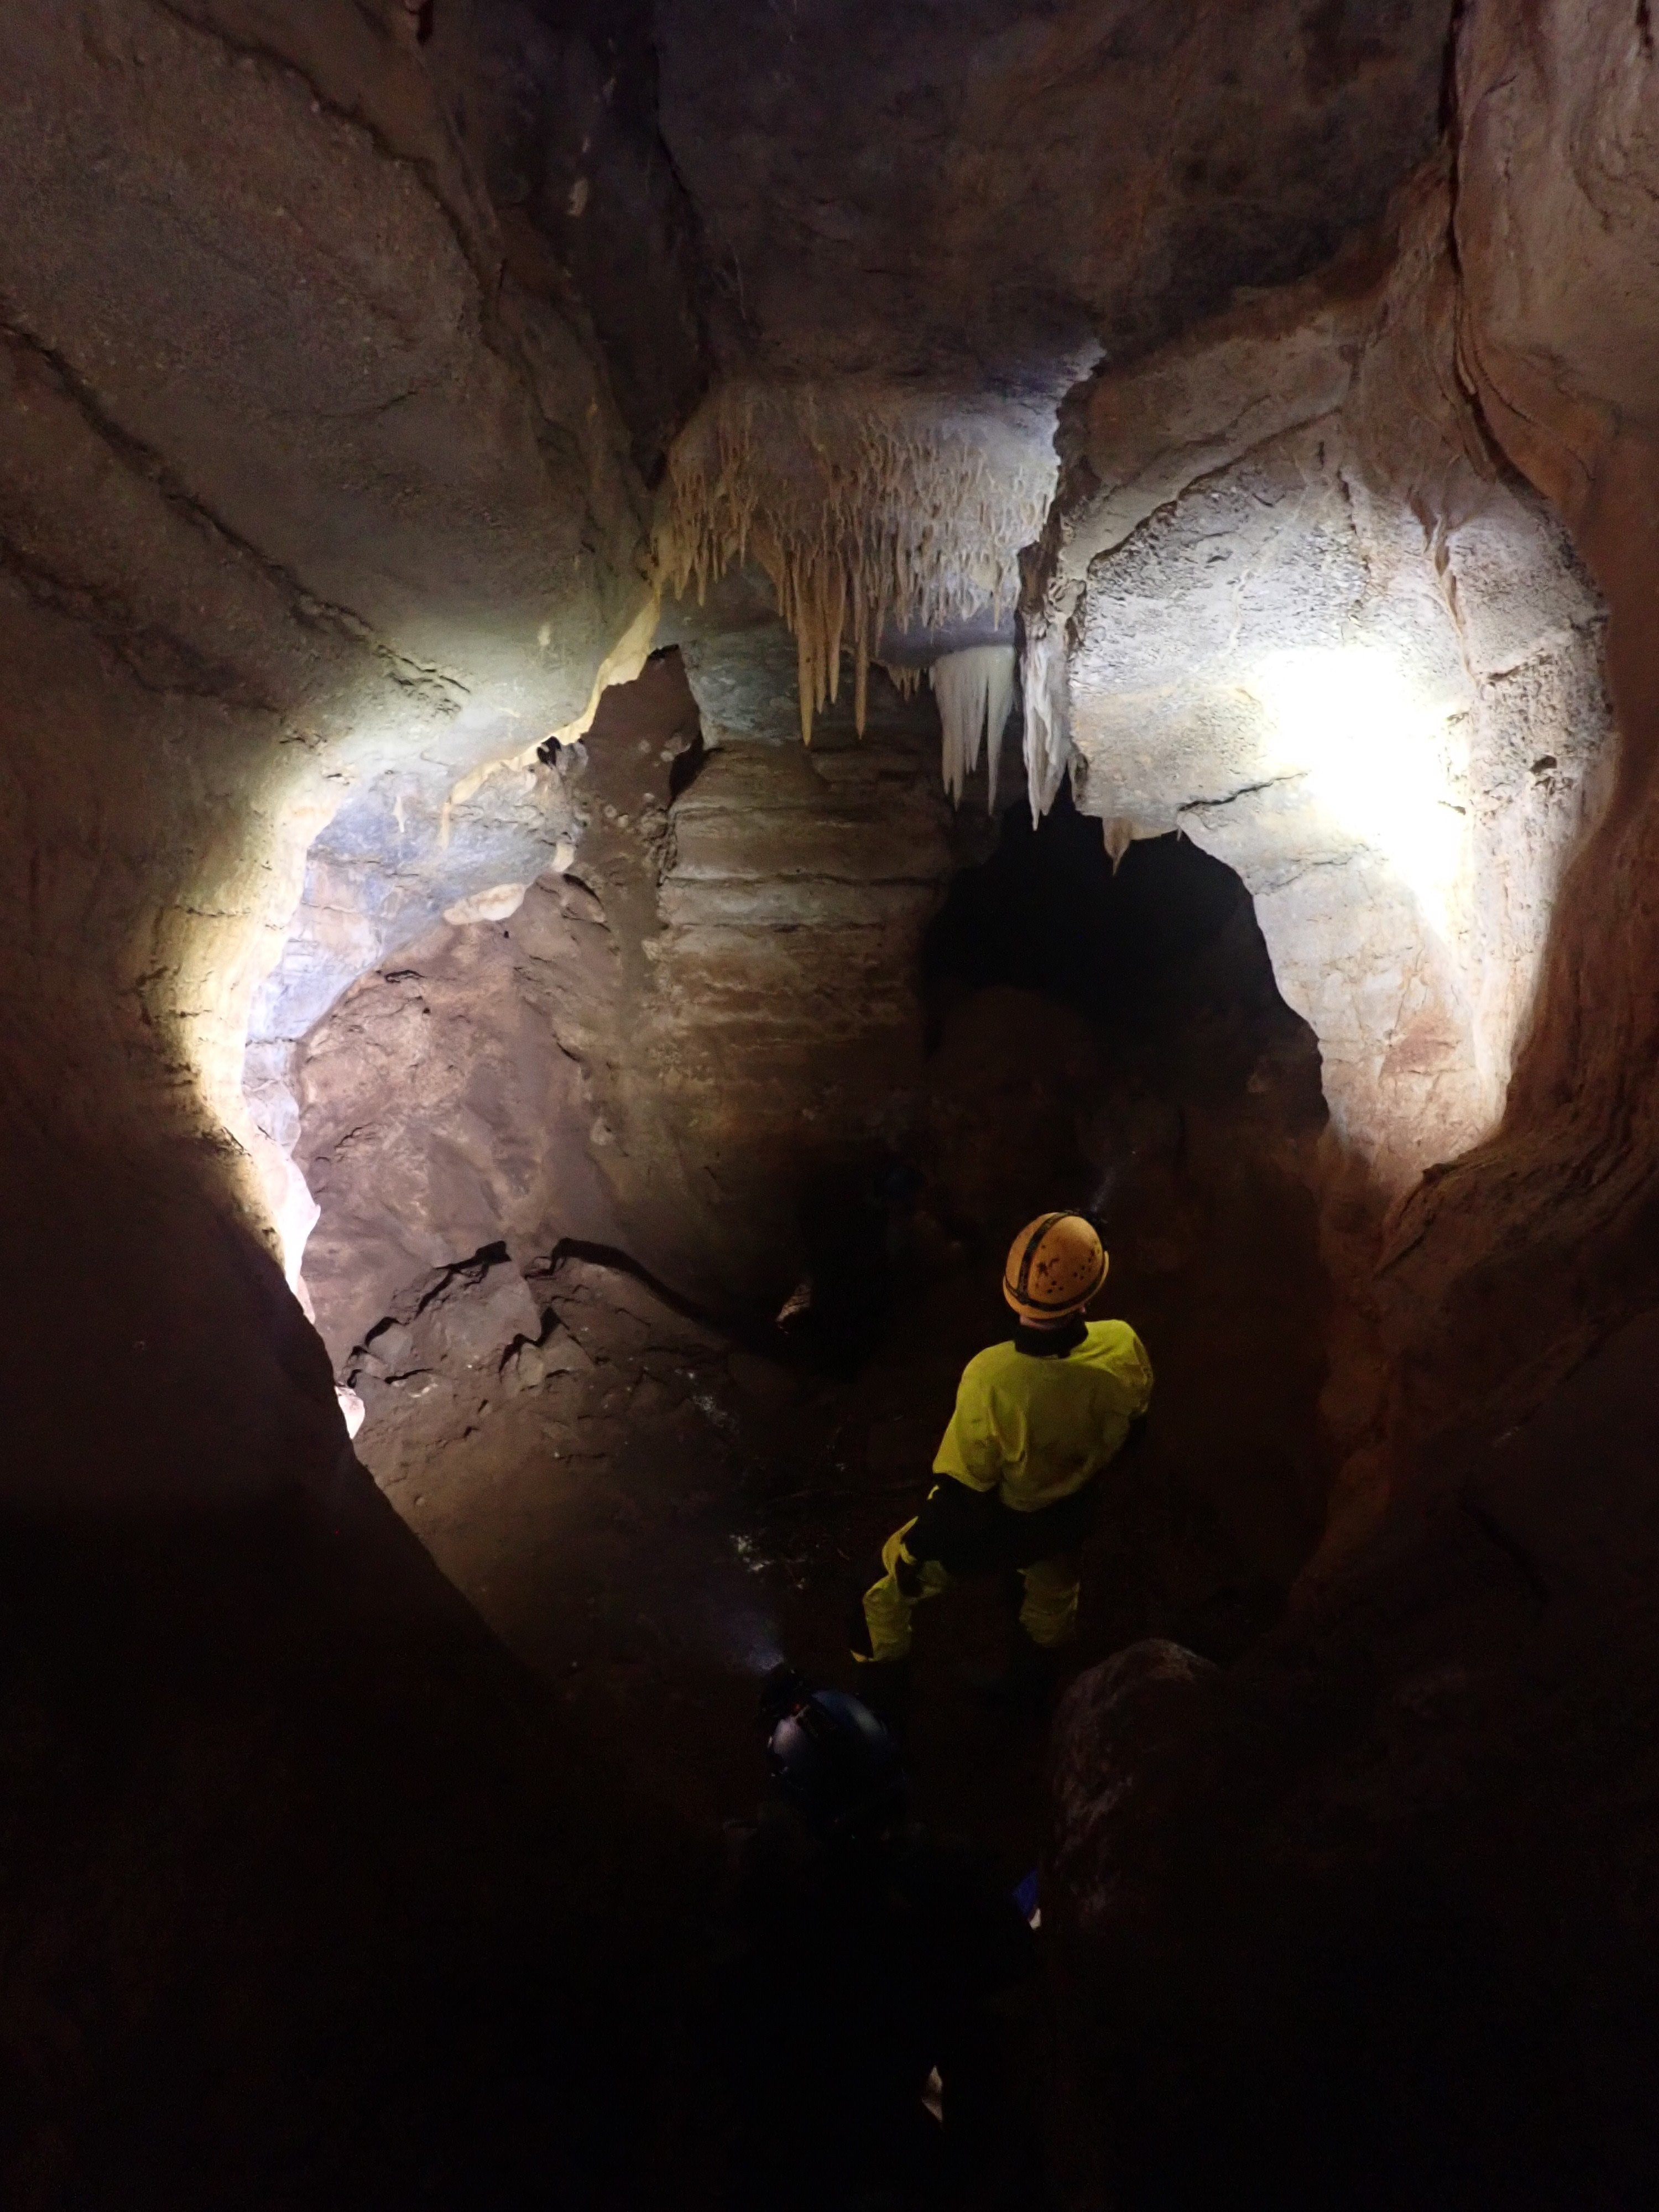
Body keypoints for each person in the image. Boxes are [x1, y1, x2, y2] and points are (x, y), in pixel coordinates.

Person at [852, 1212, 1152, 1710]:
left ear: (1010, 1289)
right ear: (1090, 1293)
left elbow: (963, 1495)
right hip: (1073, 1516)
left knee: (873, 1593)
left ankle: (883, 1722)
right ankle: (1029, 1705)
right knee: (1051, 1602)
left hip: (1007, 1522)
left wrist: (916, 1552)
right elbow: (1134, 1431)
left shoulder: (993, 1376)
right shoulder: (1123, 1344)